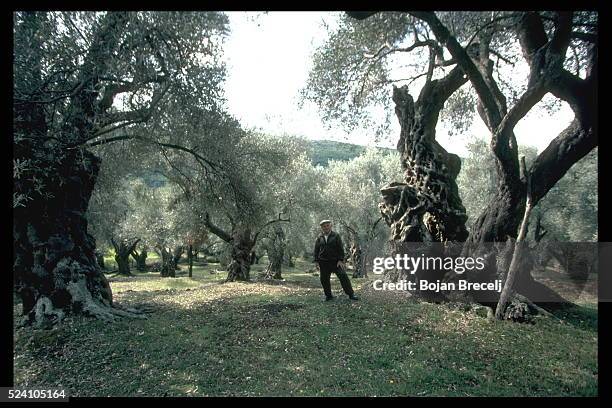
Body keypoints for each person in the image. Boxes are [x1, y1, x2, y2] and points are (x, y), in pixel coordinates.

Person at [314, 220, 359, 301]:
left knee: (343, 276)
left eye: (327, 225)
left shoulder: (336, 236)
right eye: (324, 226)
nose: (326, 227)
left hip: (335, 262)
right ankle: (328, 296)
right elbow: (316, 250)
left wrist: (341, 260)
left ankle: (351, 294)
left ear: (330, 226)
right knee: (324, 279)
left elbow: (340, 249)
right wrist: (316, 261)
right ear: (322, 228)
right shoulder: (319, 237)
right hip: (323, 262)